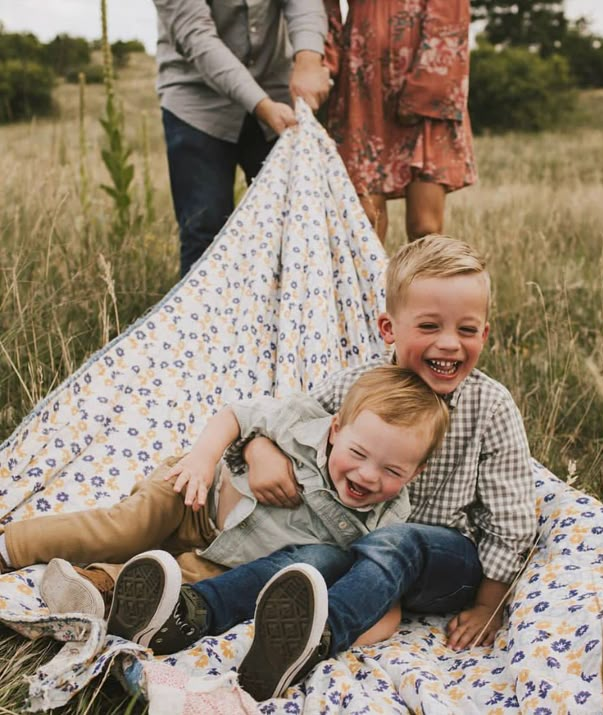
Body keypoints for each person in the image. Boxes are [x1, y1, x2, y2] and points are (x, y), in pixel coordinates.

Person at [104, 235, 537, 700]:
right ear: (390, 328)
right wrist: (259, 451)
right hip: (359, 561)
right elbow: (289, 424)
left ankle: (316, 639)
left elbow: (510, 520)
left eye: (467, 331)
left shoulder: (489, 406)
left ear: (484, 334)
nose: (449, 344)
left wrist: (489, 603)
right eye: (430, 326)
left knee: (394, 541)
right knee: (311, 559)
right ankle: (191, 615)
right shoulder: (358, 384)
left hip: (441, 562)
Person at [0, 366, 449, 624]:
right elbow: (236, 415)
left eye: (392, 470)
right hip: (196, 498)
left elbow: (377, 580)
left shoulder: (389, 522)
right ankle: (10, 545)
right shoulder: (301, 422)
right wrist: (199, 459)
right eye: (358, 453)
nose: (369, 476)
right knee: (125, 526)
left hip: (230, 558)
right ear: (336, 430)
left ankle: (97, 585)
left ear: (416, 472)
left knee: (187, 580)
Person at [152, 0, 332, 275]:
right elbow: (197, 37)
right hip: (197, 101)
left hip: (275, 87)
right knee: (205, 227)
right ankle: (204, 316)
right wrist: (262, 105)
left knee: (291, 226)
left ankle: (281, 316)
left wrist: (308, 60)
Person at [324, 1, 477, 243]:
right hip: (361, 84)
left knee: (425, 226)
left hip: (426, 76)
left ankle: (424, 281)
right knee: (364, 221)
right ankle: (373, 282)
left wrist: (427, 86)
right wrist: (324, 60)